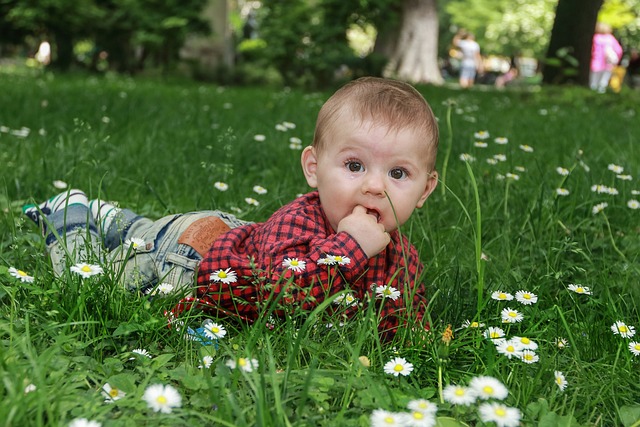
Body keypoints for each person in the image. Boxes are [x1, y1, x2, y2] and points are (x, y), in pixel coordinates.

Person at [23, 77, 439, 339]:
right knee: (90, 281)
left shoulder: (402, 257)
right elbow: (279, 296)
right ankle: (70, 215)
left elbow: (399, 315)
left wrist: (421, 338)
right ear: (313, 168)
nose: (374, 186)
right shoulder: (296, 222)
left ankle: (119, 219)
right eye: (354, 166)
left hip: (218, 233)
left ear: (424, 190)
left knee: (142, 235)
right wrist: (348, 248)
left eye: (398, 174)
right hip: (186, 258)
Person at [590, 22, 623, 93]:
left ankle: (591, 97)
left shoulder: (595, 38)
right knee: (603, 83)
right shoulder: (611, 38)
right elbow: (619, 50)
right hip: (608, 64)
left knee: (593, 83)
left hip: (595, 64)